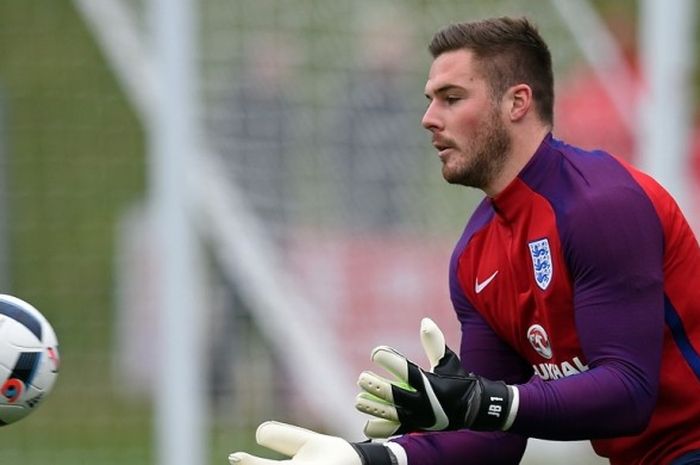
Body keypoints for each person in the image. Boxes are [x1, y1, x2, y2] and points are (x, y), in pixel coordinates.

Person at [228, 16, 700, 465]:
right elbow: (490, 443)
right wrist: (369, 456)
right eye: (430, 99)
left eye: (451, 98)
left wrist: (486, 401)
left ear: (517, 102)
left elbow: (629, 392)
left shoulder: (601, 206)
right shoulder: (476, 255)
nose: (428, 118)